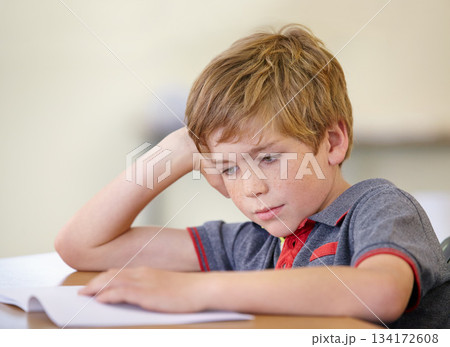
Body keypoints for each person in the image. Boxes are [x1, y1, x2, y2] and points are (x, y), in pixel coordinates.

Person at [55, 24, 449, 328]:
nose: (251, 187)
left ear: (332, 141)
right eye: (229, 167)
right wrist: (176, 149)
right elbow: (83, 246)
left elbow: (381, 291)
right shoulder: (253, 245)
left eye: (268, 158)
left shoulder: (377, 208)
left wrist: (197, 290)